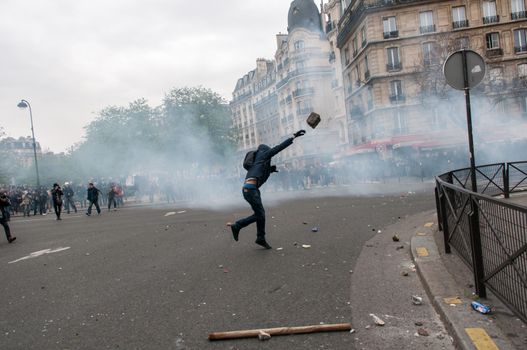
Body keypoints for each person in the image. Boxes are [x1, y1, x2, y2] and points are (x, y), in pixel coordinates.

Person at [227, 130, 306, 249]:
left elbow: (260, 172)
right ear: (264, 151)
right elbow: (278, 148)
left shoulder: (257, 163)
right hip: (251, 190)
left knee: (260, 214)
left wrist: (270, 170)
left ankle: (260, 238)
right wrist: (293, 137)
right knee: (260, 214)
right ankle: (238, 226)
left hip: (249, 190)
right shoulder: (263, 155)